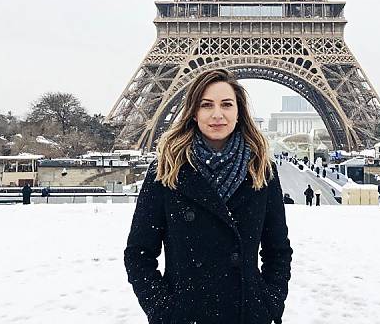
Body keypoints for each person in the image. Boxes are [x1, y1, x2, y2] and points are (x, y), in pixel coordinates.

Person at [124, 69, 293, 324]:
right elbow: (138, 253)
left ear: (239, 112)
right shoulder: (165, 172)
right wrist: (164, 312)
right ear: (193, 112)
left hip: (246, 314)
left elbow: (277, 251)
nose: (217, 114)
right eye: (206, 105)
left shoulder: (262, 172)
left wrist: (268, 305)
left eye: (226, 104)